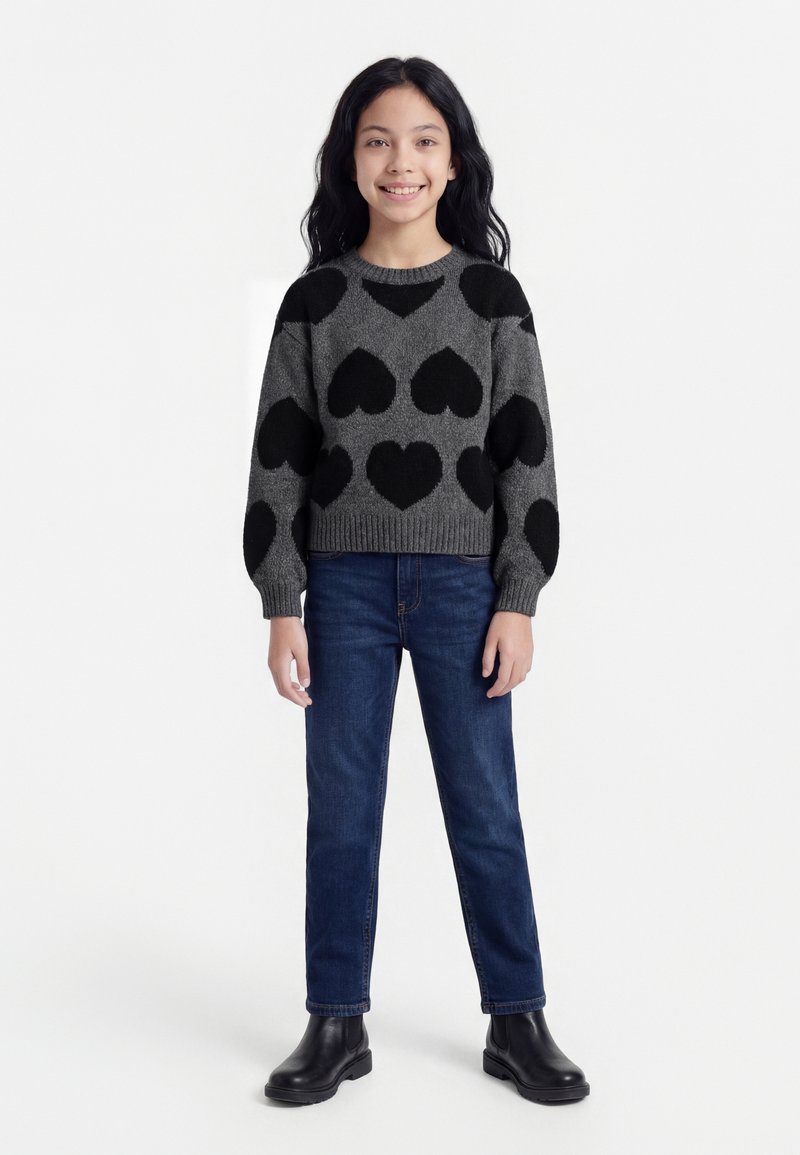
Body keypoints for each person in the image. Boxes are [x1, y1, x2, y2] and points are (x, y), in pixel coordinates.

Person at [243, 55, 590, 1107]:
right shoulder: (315, 303)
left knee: (484, 805)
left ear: (454, 161)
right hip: (342, 589)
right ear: (350, 161)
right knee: (341, 809)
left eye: (424, 141)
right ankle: (335, 1018)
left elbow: (527, 456)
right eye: (379, 140)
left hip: (462, 591)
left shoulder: (492, 300)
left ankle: (516, 1016)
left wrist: (518, 597)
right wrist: (282, 601)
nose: (402, 161)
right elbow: (278, 459)